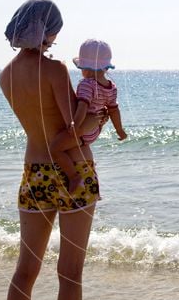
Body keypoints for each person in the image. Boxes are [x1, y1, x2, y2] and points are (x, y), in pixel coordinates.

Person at [0, 0, 101, 300]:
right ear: (48, 29)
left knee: (25, 271)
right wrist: (98, 113)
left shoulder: (5, 75)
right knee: (70, 273)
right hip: (72, 170)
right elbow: (69, 130)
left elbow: (39, 126)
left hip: (35, 172)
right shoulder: (57, 70)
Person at [49, 39, 127, 194]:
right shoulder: (111, 87)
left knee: (55, 149)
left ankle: (73, 177)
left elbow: (83, 106)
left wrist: (74, 125)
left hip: (83, 131)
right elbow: (114, 110)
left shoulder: (87, 84)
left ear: (86, 68)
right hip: (95, 131)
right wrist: (119, 130)